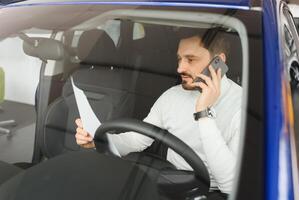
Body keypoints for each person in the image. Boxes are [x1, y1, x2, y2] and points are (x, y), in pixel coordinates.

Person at [75, 29, 242, 195]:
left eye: (191, 59)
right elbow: (137, 140)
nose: (180, 68)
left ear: (218, 61)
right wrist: (98, 141)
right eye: (179, 59)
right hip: (169, 181)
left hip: (212, 192)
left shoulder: (241, 105)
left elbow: (230, 186)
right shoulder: (172, 96)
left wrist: (204, 115)